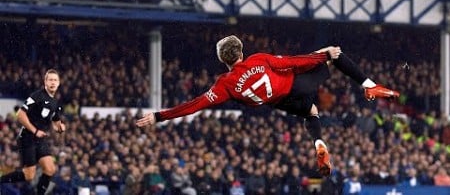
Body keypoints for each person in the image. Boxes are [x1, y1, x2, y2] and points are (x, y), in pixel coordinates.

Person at [136, 35, 399, 176]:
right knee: (333, 53)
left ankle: (319, 144)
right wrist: (323, 55)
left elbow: (195, 105)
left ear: (223, 60)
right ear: (241, 52)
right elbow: (296, 63)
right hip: (295, 86)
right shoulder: (258, 60)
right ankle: (369, 85)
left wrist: (159, 117)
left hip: (279, 103)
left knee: (311, 112)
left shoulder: (224, 84)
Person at [0, 69, 66, 195]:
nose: (53, 82)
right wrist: (35, 131)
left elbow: (56, 122)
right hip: (27, 137)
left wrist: (60, 127)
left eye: (55, 80)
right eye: (50, 79)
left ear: (59, 83)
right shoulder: (37, 95)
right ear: (45, 82)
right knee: (29, 175)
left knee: (50, 169)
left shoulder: (55, 103)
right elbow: (20, 114)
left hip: (40, 139)